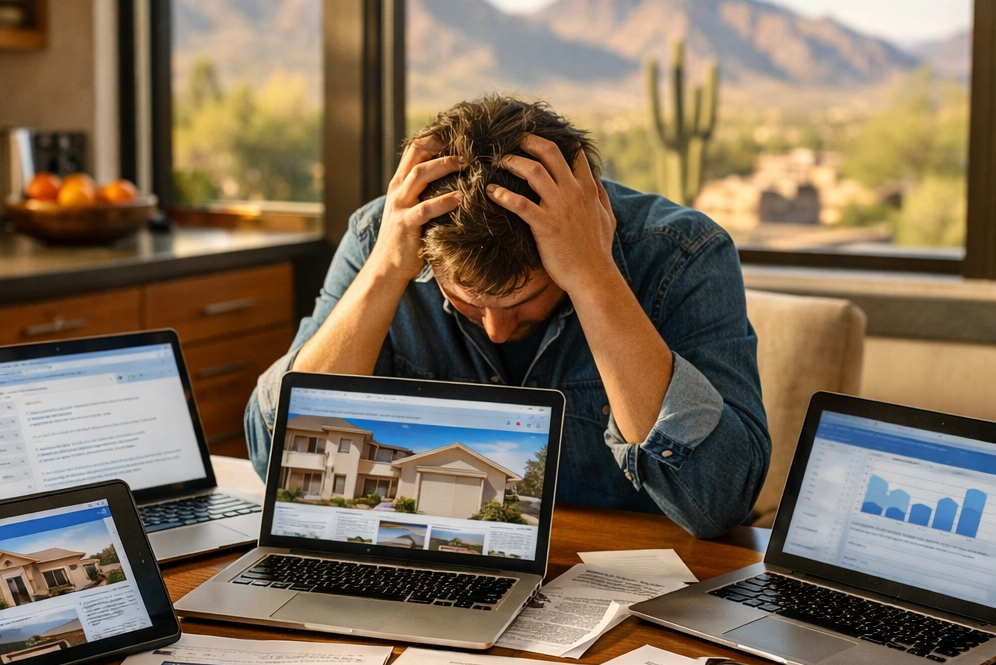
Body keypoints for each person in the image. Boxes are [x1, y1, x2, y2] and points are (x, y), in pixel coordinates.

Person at [245, 96, 770, 538]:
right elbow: (278, 464)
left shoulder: (684, 254)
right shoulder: (384, 239)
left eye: (523, 301)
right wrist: (383, 275)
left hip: (631, 594)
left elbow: (718, 501)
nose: (496, 328)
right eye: (468, 302)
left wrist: (594, 278)